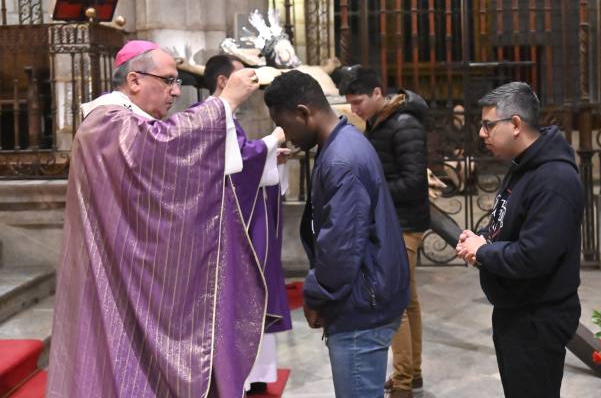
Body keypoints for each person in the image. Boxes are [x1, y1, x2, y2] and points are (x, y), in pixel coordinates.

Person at [48, 41, 267, 397]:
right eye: (168, 80)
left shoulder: (126, 123)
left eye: (177, 80)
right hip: (116, 274)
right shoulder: (106, 123)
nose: (176, 91)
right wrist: (224, 103)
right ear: (134, 80)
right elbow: (162, 147)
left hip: (132, 269)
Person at [264, 70, 410, 397]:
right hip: (363, 298)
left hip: (360, 307)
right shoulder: (342, 142)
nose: (284, 135)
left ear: (304, 112)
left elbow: (340, 246)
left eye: (284, 125)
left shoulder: (342, 158)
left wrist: (316, 296)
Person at [455, 82, 583, 398]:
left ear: (514, 125)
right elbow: (507, 225)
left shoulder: (554, 179)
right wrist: (481, 237)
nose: (481, 134)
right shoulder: (523, 166)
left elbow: (534, 256)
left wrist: (483, 252)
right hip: (517, 310)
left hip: (537, 316)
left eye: (487, 125)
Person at [204, 54, 292, 394]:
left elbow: (242, 160)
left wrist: (270, 155)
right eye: (244, 77)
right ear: (224, 82)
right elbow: (235, 168)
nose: (251, 85)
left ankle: (251, 373)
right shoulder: (212, 117)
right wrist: (273, 140)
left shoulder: (228, 118)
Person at [341, 66, 429, 398]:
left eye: (359, 101)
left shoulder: (404, 124)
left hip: (404, 224)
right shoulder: (383, 121)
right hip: (396, 220)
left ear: (378, 93)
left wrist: (369, 188)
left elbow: (413, 181)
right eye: (350, 102)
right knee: (409, 301)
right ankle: (412, 373)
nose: (354, 109)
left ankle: (404, 383)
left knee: (397, 302)